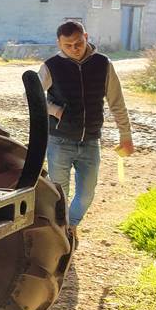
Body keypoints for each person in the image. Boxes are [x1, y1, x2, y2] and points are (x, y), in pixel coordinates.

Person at [38, 20, 134, 227]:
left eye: (78, 43)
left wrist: (126, 135)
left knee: (86, 195)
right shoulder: (50, 66)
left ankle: (70, 228)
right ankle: (64, 235)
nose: (74, 49)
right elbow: (32, 96)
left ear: (86, 37)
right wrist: (55, 110)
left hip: (90, 142)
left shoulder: (103, 64)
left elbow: (117, 102)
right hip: (59, 141)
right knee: (60, 196)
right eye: (67, 46)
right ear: (59, 44)